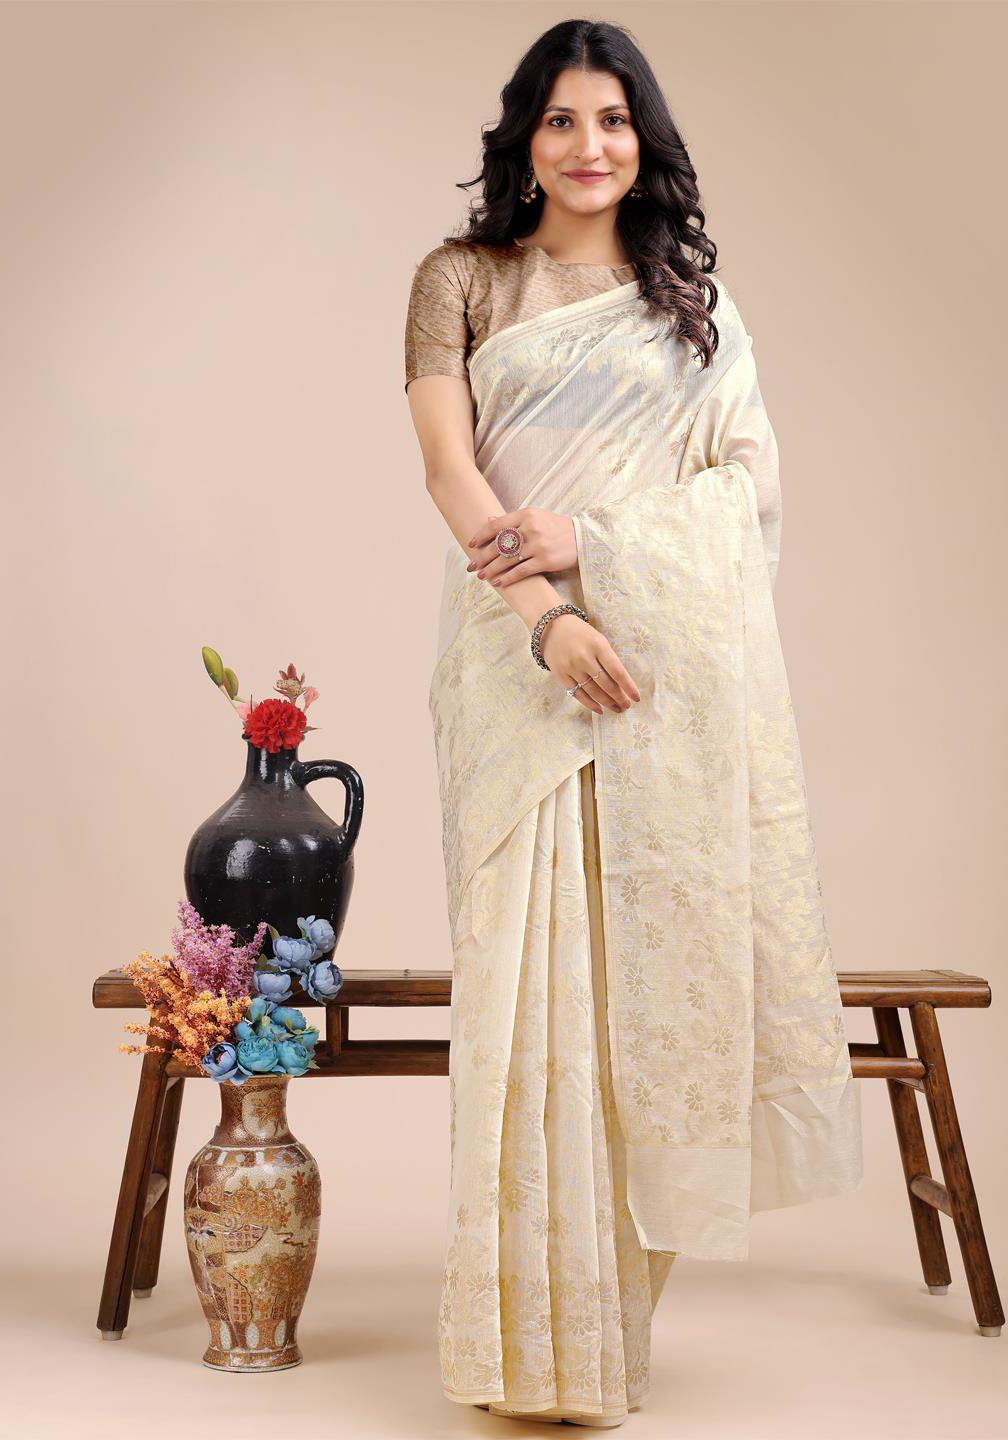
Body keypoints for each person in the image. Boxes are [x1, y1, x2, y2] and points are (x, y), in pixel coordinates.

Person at [404, 18, 863, 1428]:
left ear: (644, 138)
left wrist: (597, 543)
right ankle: (527, 1348)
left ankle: (601, 1337)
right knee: (528, 995)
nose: (588, 145)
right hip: (513, 662)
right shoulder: (460, 279)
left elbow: (750, 493)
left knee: (642, 996)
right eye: (561, 120)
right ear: (525, 137)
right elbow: (451, 473)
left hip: (660, 683)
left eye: (612, 119)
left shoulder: (693, 307)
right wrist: (550, 612)